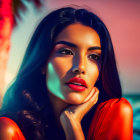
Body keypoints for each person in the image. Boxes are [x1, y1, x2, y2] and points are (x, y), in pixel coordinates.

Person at [0, 7, 133, 140]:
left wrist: (72, 124)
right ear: (42, 63)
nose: (80, 67)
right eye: (66, 52)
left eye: (93, 56)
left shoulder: (115, 114)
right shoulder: (8, 131)